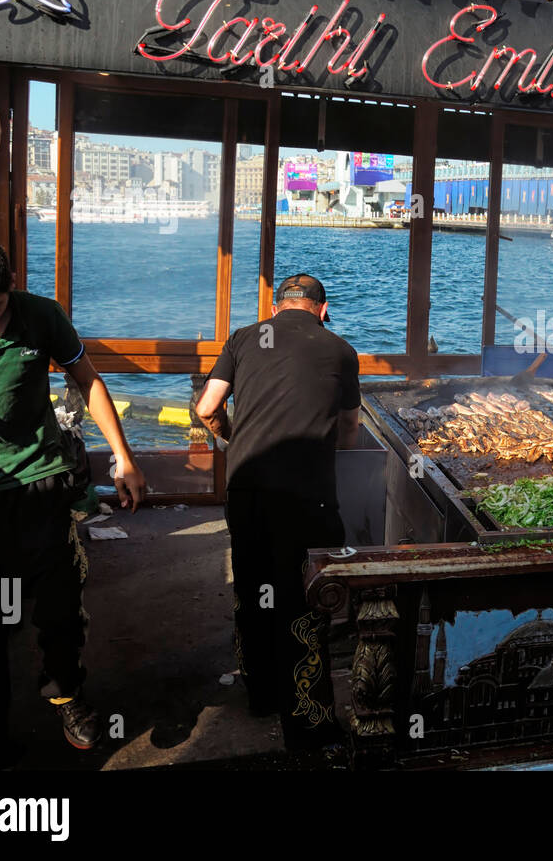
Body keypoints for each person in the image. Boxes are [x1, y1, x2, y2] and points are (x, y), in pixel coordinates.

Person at [0, 237, 146, 767]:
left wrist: (123, 456)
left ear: (11, 288)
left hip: (39, 481)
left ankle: (66, 695)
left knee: (59, 606)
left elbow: (86, 380)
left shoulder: (42, 316)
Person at [195, 273, 361, 752]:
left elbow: (208, 405)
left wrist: (234, 438)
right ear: (322, 310)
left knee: (253, 587)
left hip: (245, 486)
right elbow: (349, 431)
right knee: (302, 599)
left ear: (275, 308)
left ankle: (261, 693)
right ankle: (308, 723)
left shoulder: (246, 337)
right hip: (306, 497)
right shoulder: (340, 349)